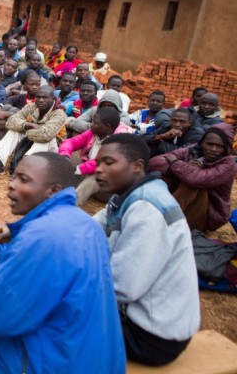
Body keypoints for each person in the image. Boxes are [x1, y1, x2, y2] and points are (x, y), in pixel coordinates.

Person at [0, 152, 125, 373]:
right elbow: (36, 274)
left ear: (53, 190)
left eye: (24, 179)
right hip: (85, 353)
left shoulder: (45, 235)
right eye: (13, 177)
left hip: (56, 361)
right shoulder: (84, 224)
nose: (11, 185)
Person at [93, 133, 200, 366]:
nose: (98, 169)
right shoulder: (126, 198)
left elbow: (122, 286)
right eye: (98, 163)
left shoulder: (147, 208)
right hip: (139, 320)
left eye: (108, 163)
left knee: (54, 318)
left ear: (137, 166)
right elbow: (86, 230)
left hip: (151, 336)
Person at [149, 123, 237, 231]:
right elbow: (154, 162)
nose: (213, 149)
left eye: (220, 146)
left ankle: (161, 219)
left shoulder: (228, 164)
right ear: (202, 143)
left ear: (227, 148)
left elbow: (197, 179)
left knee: (192, 183)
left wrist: (177, 164)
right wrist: (182, 168)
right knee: (163, 175)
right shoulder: (192, 150)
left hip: (207, 216)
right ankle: (152, 210)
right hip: (184, 206)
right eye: (210, 144)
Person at [0, 86, 66, 176]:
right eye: (38, 97)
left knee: (45, 139)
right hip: (32, 138)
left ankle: (25, 170)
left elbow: (46, 135)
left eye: (45, 97)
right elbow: (11, 121)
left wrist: (26, 131)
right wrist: (27, 125)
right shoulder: (32, 106)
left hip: (52, 147)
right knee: (14, 131)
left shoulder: (59, 113)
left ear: (53, 98)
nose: (41, 100)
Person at [59, 107, 132, 205]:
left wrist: (77, 169)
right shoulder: (94, 132)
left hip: (108, 188)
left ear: (107, 127)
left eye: (95, 122)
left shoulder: (117, 142)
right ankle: (55, 187)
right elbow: (72, 142)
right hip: (86, 175)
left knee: (98, 174)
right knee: (64, 157)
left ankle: (70, 205)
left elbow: (100, 164)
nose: (91, 125)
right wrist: (64, 157)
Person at [0, 71, 41, 158]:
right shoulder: (20, 97)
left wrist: (6, 114)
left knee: (12, 110)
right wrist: (0, 117)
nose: (34, 87)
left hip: (25, 129)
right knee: (6, 107)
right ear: (25, 85)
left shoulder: (40, 100)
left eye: (37, 85)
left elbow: (29, 117)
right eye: (31, 84)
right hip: (13, 125)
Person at [68, 88, 134, 135]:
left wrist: (97, 127)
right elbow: (76, 122)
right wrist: (93, 127)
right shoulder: (95, 110)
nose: (107, 108)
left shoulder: (123, 115)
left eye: (110, 106)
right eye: (104, 105)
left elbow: (116, 132)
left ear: (117, 107)